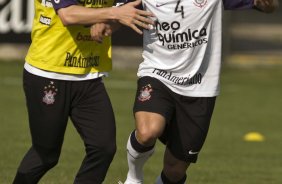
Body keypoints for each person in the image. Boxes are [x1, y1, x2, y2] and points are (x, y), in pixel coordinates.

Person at [89, 0, 279, 183]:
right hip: (157, 73)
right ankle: (134, 177)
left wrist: (267, 3)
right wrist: (106, 24)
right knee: (147, 132)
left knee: (175, 171)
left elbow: (268, 6)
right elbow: (122, 14)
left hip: (200, 86)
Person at [12, 0, 154, 183]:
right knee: (45, 155)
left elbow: (124, 11)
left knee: (103, 147)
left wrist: (108, 22)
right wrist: (112, 14)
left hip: (89, 77)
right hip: (48, 73)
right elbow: (68, 15)